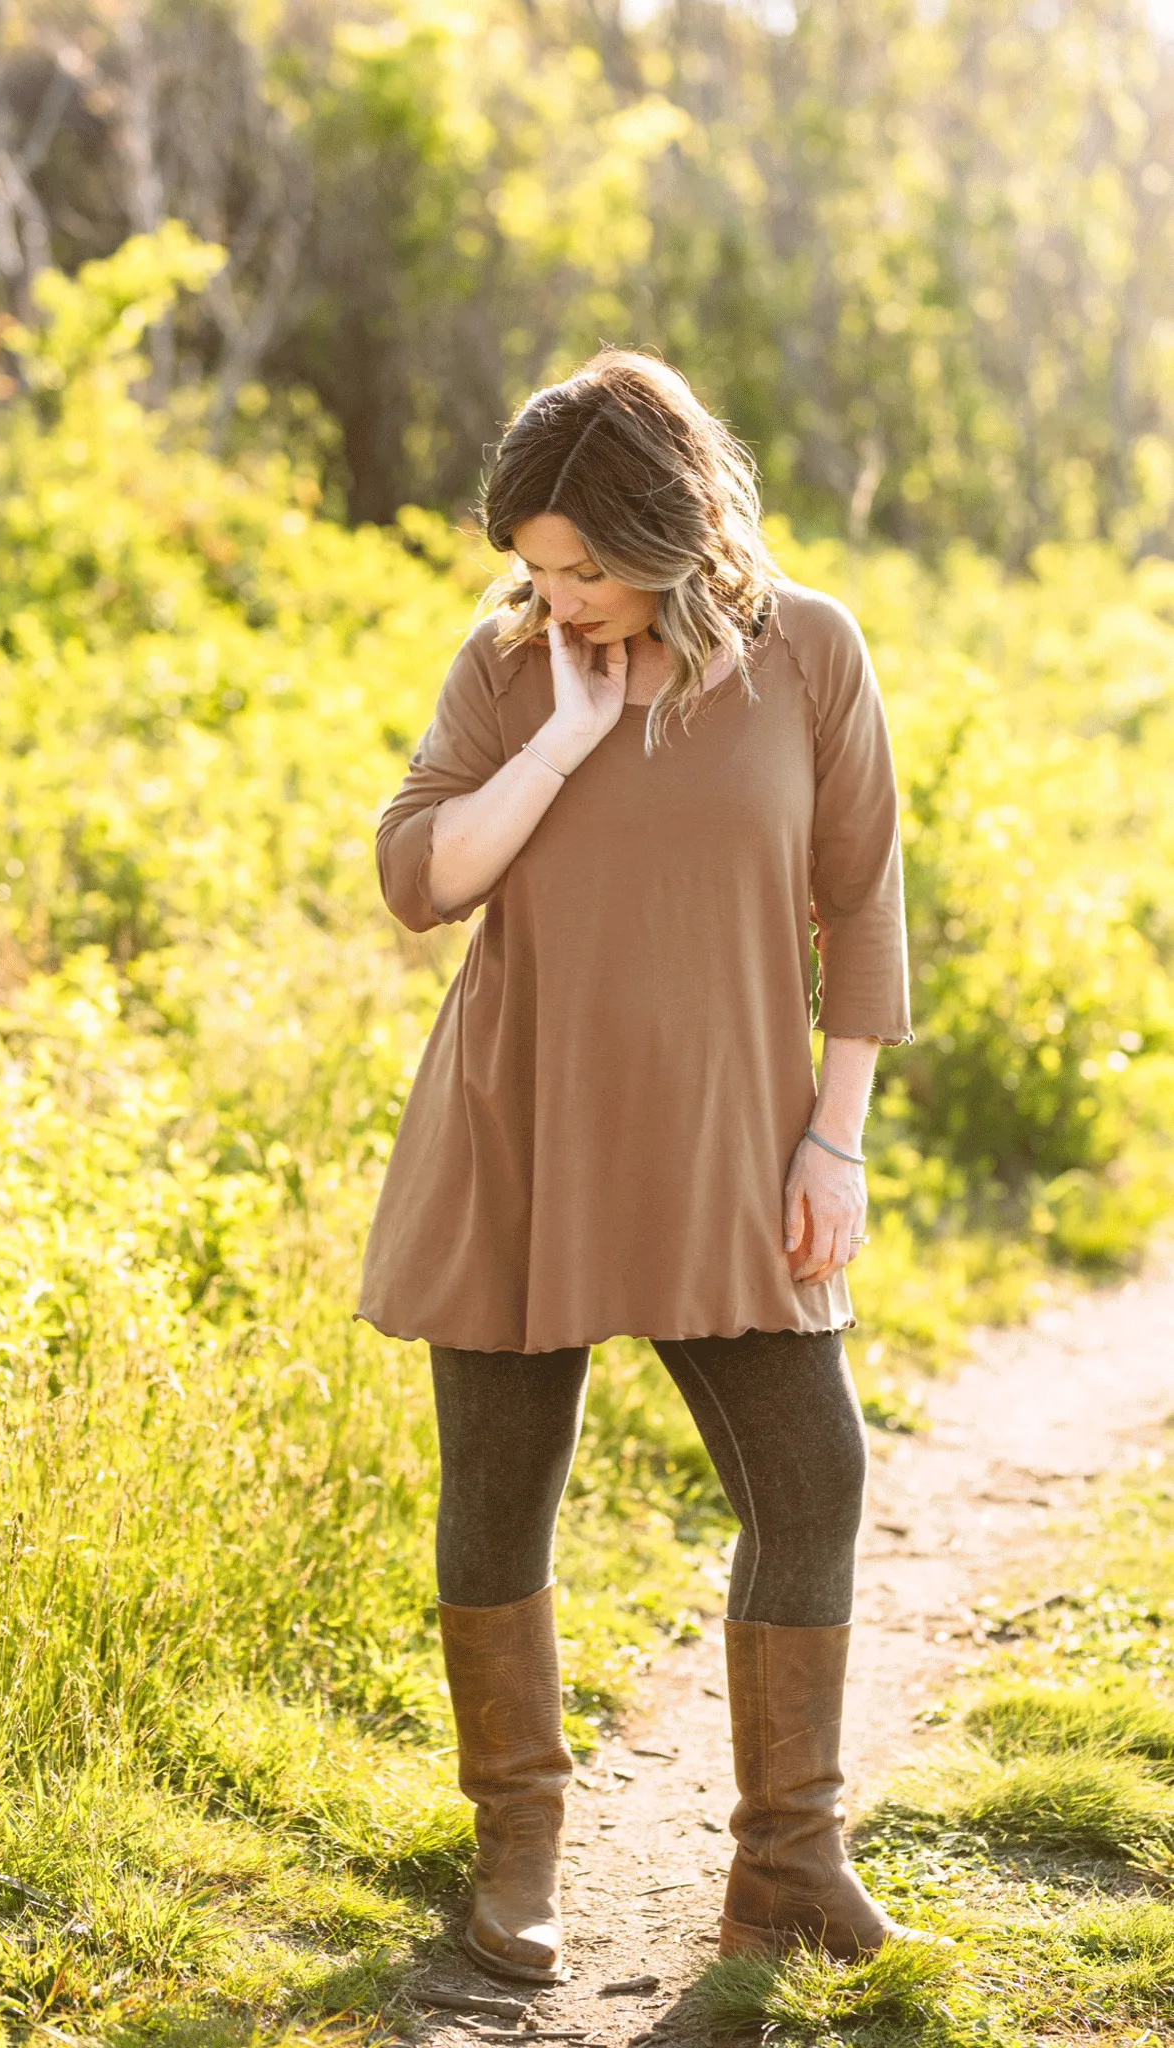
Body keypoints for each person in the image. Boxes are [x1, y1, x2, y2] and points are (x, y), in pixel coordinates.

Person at [355, 351, 939, 1983]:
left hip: (733, 1145)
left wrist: (839, 1134)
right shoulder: (514, 666)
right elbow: (421, 876)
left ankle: (791, 1866)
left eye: (588, 569)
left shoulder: (809, 650)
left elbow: (862, 903)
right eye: (537, 570)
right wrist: (563, 729)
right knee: (499, 1501)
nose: (561, 597)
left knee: (813, 1474)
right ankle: (518, 1850)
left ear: (676, 530)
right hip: (516, 1128)